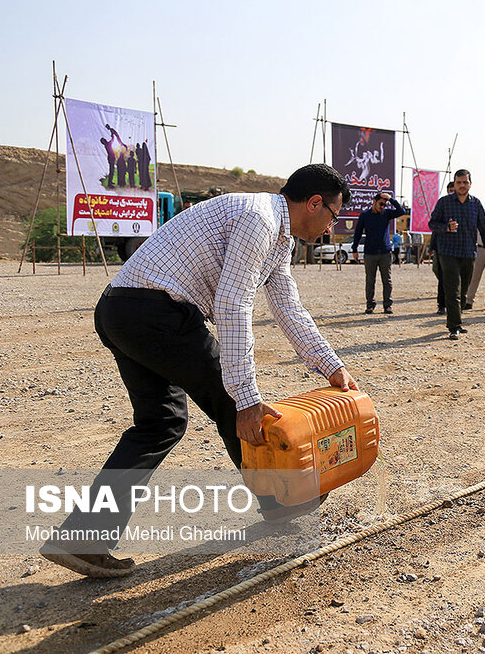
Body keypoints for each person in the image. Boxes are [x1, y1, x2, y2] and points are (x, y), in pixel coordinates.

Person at [41, 164, 358, 578]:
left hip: (122, 309)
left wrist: (330, 365)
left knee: (160, 424)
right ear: (314, 203)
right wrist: (246, 398)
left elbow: (288, 308)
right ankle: (282, 505)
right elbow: (232, 304)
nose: (332, 228)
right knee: (235, 406)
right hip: (157, 310)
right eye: (334, 215)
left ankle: (82, 538)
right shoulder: (258, 219)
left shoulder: (279, 238)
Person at [428, 170, 485, 340]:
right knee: (452, 290)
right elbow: (432, 223)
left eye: (465, 182)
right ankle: (454, 326)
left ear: (470, 184)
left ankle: (457, 319)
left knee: (463, 291)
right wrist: (446, 228)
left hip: (468, 252)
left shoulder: (476, 204)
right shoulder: (444, 202)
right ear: (454, 184)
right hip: (448, 252)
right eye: (459, 182)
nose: (462, 185)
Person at [352, 191, 409, 314]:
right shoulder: (365, 215)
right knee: (370, 280)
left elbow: (402, 212)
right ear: (374, 201)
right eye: (380, 204)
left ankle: (387, 305)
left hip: (385, 252)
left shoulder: (386, 214)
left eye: (384, 204)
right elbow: (357, 233)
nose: (382, 207)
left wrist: (391, 199)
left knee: (387, 281)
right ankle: (370, 305)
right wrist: (354, 249)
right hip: (370, 253)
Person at [428, 181, 456, 315]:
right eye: (450, 190)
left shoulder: (464, 206)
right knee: (441, 274)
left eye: (453, 189)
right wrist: (432, 246)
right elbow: (434, 226)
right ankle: (442, 304)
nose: (452, 191)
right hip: (441, 248)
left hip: (458, 249)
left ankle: (455, 305)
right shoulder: (443, 205)